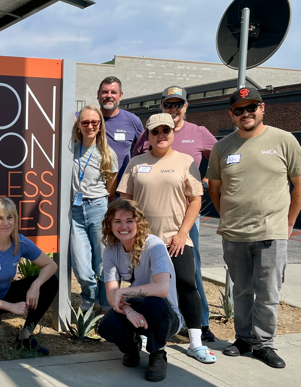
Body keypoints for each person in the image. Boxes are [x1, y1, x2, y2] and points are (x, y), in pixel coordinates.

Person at [207, 88, 301, 369]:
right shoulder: (222, 147)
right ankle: (242, 339)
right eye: (238, 110)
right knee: (241, 290)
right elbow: (215, 189)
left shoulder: (283, 140)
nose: (245, 114)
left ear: (262, 108)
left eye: (251, 107)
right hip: (235, 233)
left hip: (271, 232)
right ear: (232, 115)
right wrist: (229, 215)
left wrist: (288, 223)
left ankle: (264, 344)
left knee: (267, 293)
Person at [118, 113, 216, 365]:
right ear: (148, 135)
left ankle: (195, 342)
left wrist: (182, 234)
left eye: (166, 130)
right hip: (143, 242)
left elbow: (195, 199)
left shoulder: (185, 161)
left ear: (173, 132)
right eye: (155, 131)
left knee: (186, 285)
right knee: (141, 288)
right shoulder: (136, 163)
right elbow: (125, 200)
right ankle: (141, 337)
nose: (161, 135)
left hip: (176, 240)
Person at [132, 86, 219, 343]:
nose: (173, 110)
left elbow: (219, 158)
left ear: (186, 107)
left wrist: (205, 179)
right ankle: (161, 321)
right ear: (162, 108)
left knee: (190, 272)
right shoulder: (147, 136)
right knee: (149, 273)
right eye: (168, 105)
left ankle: (200, 324)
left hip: (184, 217)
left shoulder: (199, 133)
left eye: (178, 104)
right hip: (151, 221)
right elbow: (135, 167)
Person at [98, 199, 183, 382]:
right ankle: (131, 348)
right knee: (107, 326)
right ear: (110, 225)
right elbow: (112, 294)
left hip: (165, 316)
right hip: (136, 310)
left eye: (129, 221)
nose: (124, 226)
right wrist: (128, 311)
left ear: (139, 223)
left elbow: (161, 288)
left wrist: (124, 293)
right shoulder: (111, 251)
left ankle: (157, 355)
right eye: (117, 221)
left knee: (154, 302)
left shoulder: (155, 245)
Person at [0, 198, 59, 355]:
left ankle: (25, 336)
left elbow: (51, 265)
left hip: (2, 294)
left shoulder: (20, 242)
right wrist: (10, 307)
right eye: (0, 218)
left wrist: (35, 285)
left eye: (9, 217)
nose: (5, 223)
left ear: (15, 219)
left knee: (50, 283)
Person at [71, 106, 119, 313]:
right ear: (79, 126)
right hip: (74, 211)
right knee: (81, 266)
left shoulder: (107, 153)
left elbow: (111, 184)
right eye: (85, 123)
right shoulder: (71, 150)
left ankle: (105, 304)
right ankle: (88, 296)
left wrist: (99, 200)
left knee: (102, 260)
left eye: (94, 122)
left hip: (98, 207)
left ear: (100, 125)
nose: (90, 126)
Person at [97, 76, 145, 183]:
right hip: (91, 190)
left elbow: (145, 150)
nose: (109, 96)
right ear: (98, 94)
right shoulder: (88, 119)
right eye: (105, 92)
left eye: (113, 92)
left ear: (120, 96)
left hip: (122, 189)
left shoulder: (132, 120)